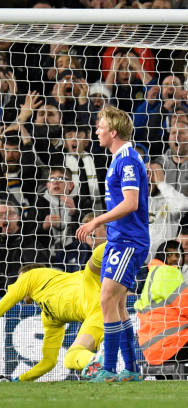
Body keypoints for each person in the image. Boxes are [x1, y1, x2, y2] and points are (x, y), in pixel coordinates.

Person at [0, 242, 106, 382]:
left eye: (19, 280)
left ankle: (121, 236)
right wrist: (18, 380)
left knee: (95, 260)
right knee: (70, 358)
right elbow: (48, 362)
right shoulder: (50, 316)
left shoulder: (31, 276)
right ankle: (98, 362)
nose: (18, 285)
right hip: (101, 312)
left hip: (94, 294)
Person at [76, 105, 149, 382]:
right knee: (117, 305)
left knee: (107, 298)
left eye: (100, 126)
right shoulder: (120, 158)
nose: (97, 130)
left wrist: (96, 222)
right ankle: (130, 369)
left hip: (128, 242)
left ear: (113, 131)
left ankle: (108, 369)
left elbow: (130, 203)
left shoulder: (128, 160)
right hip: (120, 241)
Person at [135, 240, 188, 372]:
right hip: (172, 344)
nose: (174, 259)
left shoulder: (153, 274)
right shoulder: (167, 273)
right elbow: (186, 306)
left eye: (177, 255)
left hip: (151, 349)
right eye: (169, 255)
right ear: (160, 255)